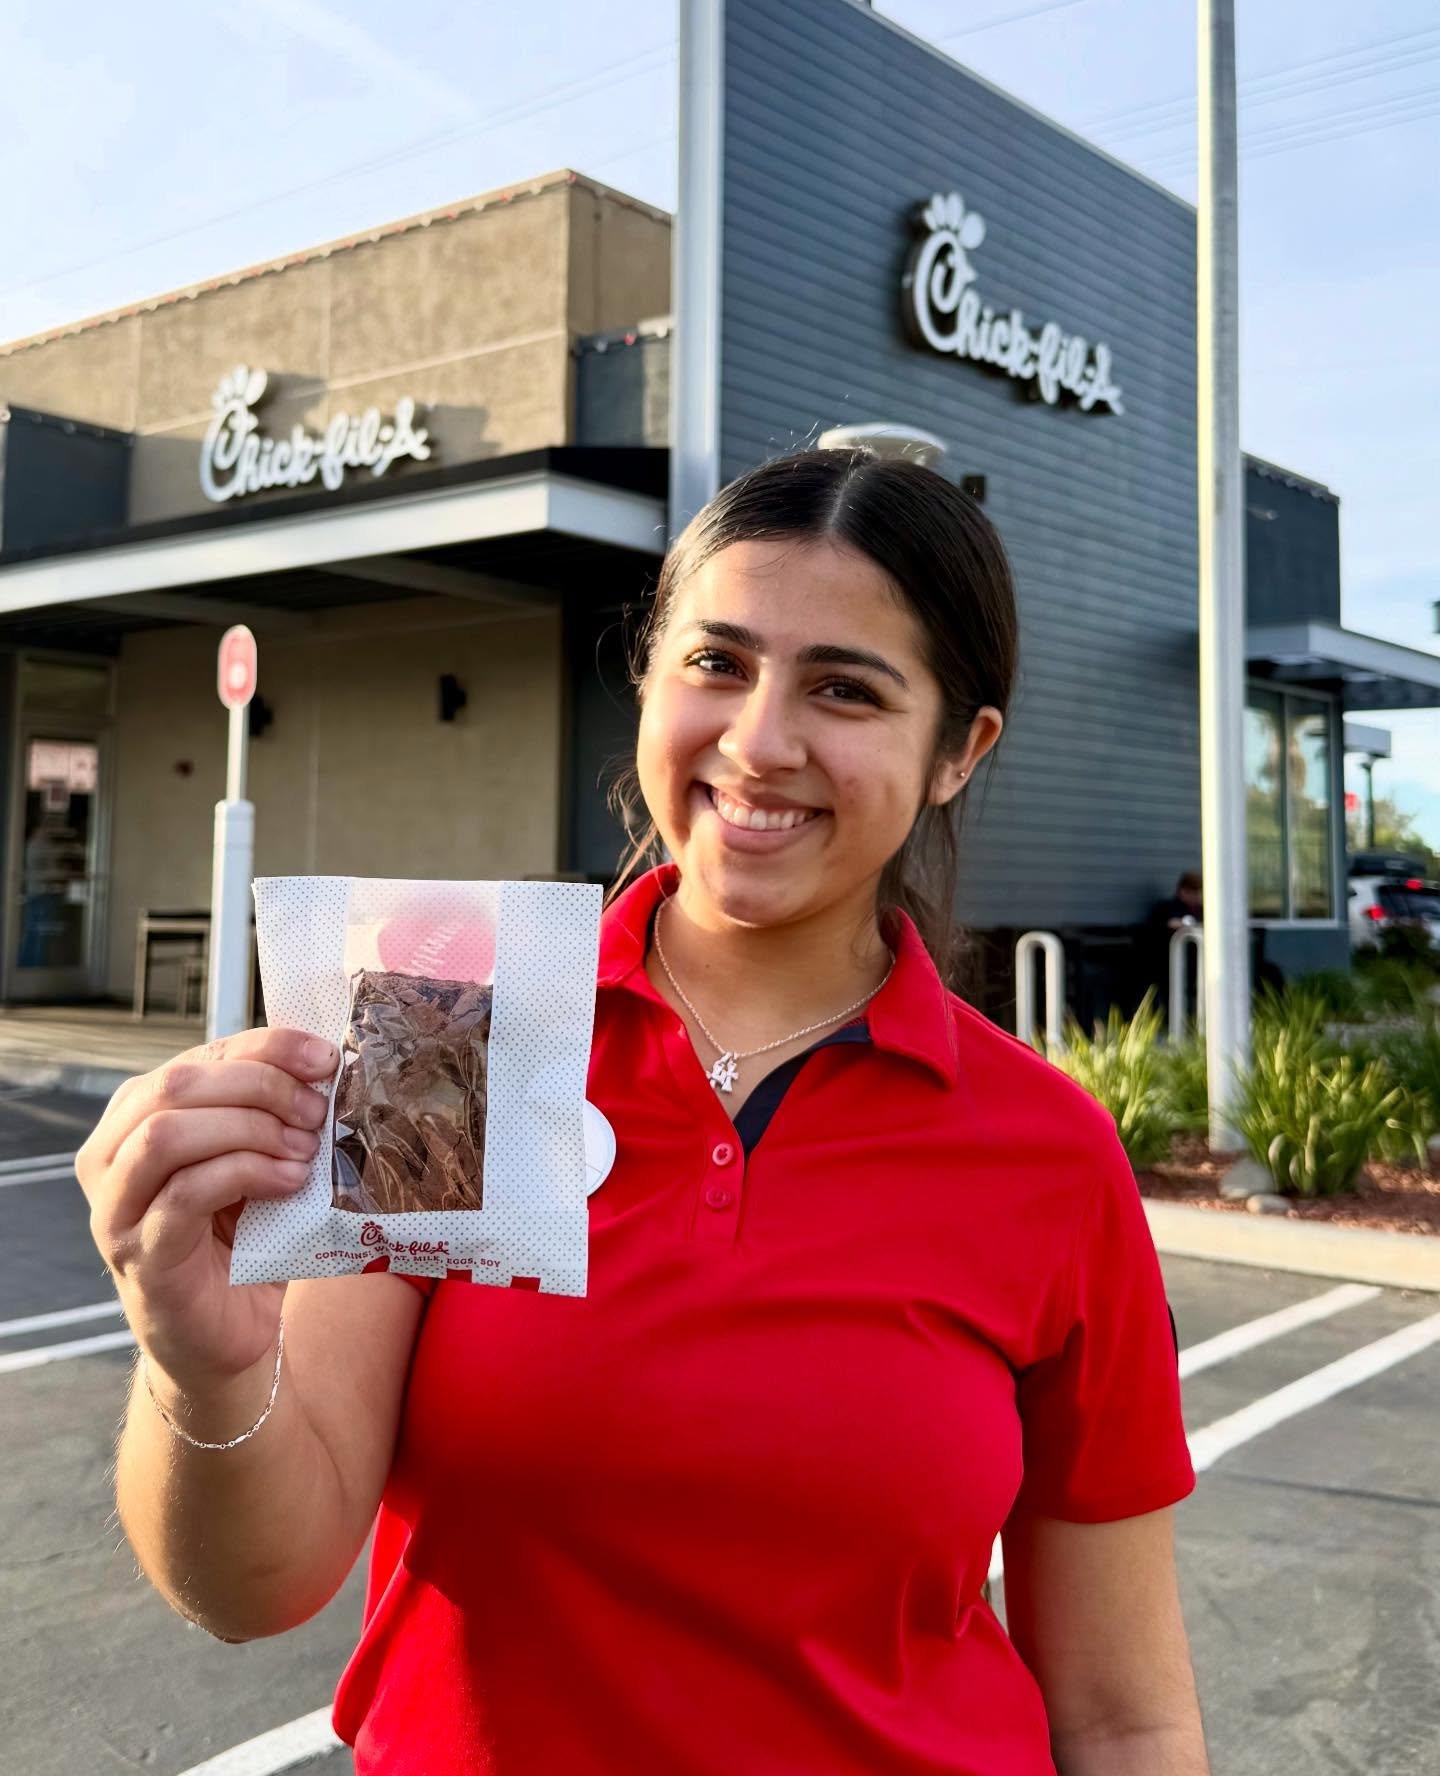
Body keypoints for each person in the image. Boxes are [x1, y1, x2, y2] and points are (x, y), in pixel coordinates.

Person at [78, 450, 1209, 1775]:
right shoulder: (451, 1034)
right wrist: (202, 1362)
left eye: (844, 689)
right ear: (649, 677)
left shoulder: (1046, 1156)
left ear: (960, 750)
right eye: (715, 664)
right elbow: (256, 1583)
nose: (758, 740)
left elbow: (1124, 1717)